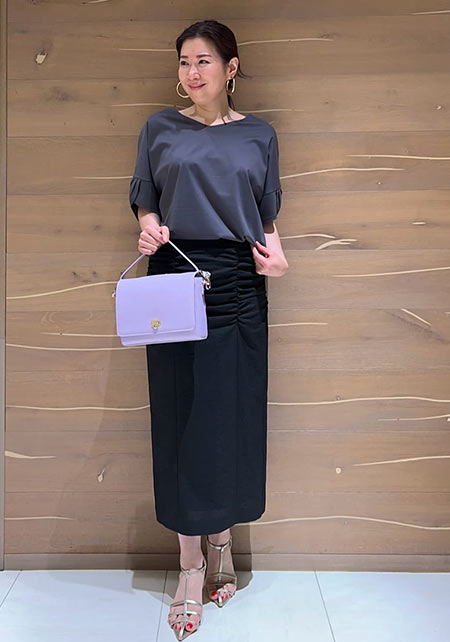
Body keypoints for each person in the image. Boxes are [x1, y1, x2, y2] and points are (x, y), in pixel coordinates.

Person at [129, 19, 289, 640]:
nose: (192, 73)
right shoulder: (159, 128)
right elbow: (146, 200)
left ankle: (222, 539)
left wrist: (278, 256)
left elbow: (266, 217)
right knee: (180, 416)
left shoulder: (259, 135)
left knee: (232, 417)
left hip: (239, 284)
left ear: (231, 67)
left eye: (203, 61)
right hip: (175, 278)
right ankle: (190, 565)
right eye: (184, 62)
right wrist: (149, 229)